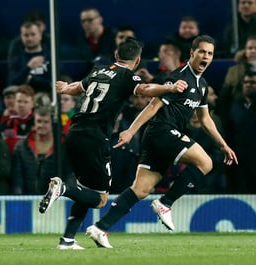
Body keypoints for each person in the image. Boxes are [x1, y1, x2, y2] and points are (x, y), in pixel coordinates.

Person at [85, 35, 238, 248]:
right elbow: (153, 106)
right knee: (206, 163)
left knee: (141, 189)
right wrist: (130, 131)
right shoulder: (179, 78)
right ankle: (165, 203)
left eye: (210, 53)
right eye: (202, 51)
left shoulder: (202, 85)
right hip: (162, 132)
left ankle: (100, 228)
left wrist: (223, 144)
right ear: (192, 53)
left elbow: (205, 119)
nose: (206, 56)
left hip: (160, 137)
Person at [37, 37, 188, 250]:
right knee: (99, 199)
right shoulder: (127, 75)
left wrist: (63, 89)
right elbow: (145, 90)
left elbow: (76, 88)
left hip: (74, 133)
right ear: (136, 62)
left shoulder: (98, 70)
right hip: (95, 138)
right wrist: (170, 88)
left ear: (116, 55)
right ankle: (62, 188)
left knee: (85, 188)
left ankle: (68, 240)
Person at [12, 106, 74, 195]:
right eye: (39, 121)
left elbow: (69, 175)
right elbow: (18, 179)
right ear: (34, 122)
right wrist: (18, 200)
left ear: (52, 123)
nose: (41, 125)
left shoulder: (64, 146)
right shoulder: (22, 147)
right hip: (28, 198)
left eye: (46, 122)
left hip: (56, 200)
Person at [7, 21, 51, 95]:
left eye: (33, 34)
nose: (29, 38)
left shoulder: (50, 56)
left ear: (40, 36)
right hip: (22, 98)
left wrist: (31, 79)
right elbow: (12, 82)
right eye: (26, 35)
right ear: (21, 37)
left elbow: (54, 81)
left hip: (46, 96)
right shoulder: (16, 58)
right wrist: (28, 67)